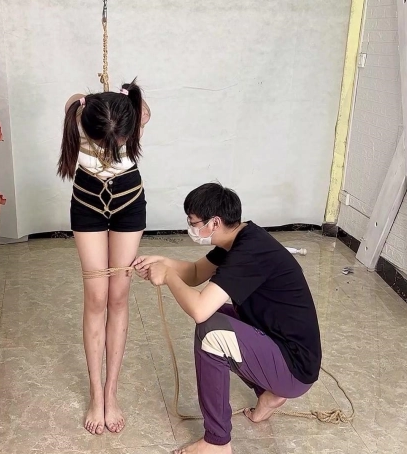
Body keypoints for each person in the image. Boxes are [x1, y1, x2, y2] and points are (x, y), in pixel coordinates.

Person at [133, 182, 322, 454]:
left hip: (294, 368)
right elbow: (196, 272)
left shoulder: (250, 252)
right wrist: (163, 262)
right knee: (219, 316)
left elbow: (199, 309)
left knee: (210, 331)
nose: (190, 228)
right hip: (287, 350)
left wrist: (169, 276)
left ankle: (217, 442)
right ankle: (270, 396)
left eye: (193, 222)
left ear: (215, 222)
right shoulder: (239, 238)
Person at [58, 79, 151, 435]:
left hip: (129, 203)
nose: (110, 149)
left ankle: (112, 392)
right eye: (102, 143)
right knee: (96, 297)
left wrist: (125, 98)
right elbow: (74, 99)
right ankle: (96, 394)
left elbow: (142, 108)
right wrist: (91, 101)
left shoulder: (134, 116)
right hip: (87, 205)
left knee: (119, 296)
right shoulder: (80, 115)